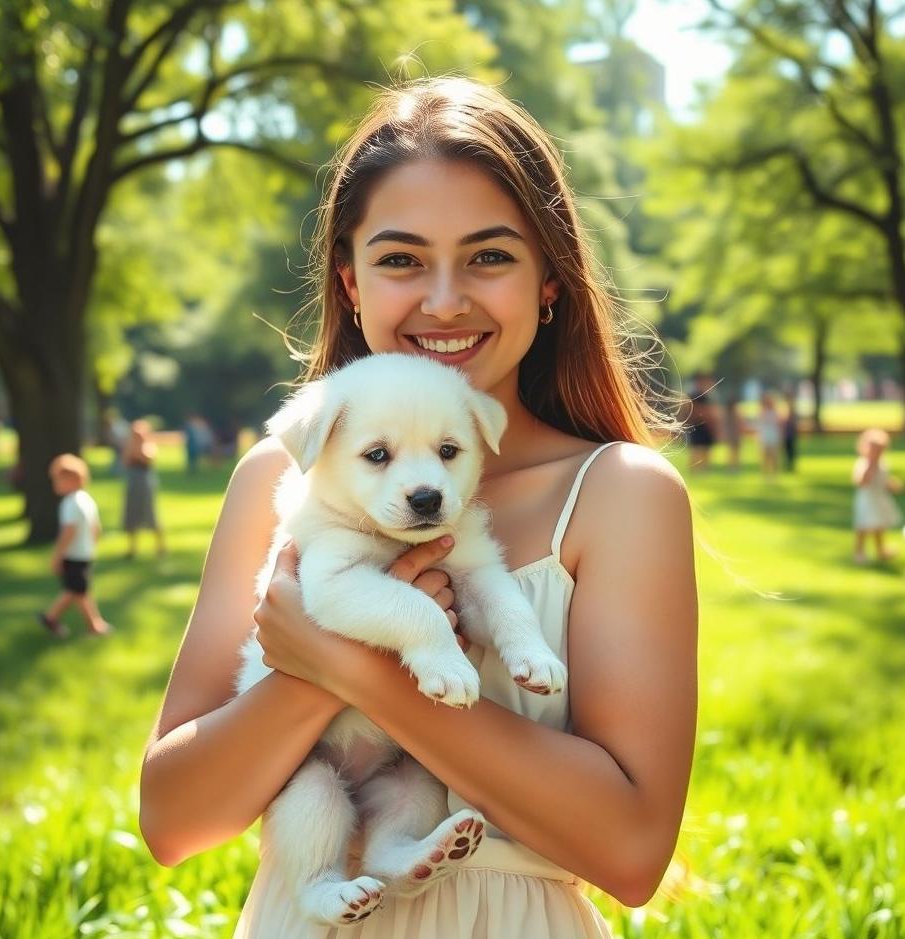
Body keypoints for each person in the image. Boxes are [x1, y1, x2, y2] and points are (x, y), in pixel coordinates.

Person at [139, 77, 698, 939]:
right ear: (350, 281)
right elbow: (174, 823)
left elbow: (629, 854)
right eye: (400, 259)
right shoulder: (281, 479)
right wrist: (303, 672)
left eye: (489, 255)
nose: (443, 299)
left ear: (549, 280)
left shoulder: (617, 494)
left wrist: (357, 668)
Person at [38, 453, 112, 637]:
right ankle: (94, 625)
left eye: (58, 479)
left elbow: (68, 532)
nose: (55, 484)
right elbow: (97, 528)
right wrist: (92, 546)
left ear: (72, 479)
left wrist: (57, 555)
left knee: (75, 591)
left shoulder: (70, 503)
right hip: (85, 553)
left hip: (74, 555)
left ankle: (51, 617)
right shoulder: (87, 499)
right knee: (79, 591)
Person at [852, 428, 902, 564]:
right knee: (864, 526)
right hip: (867, 500)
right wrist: (870, 466)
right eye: (874, 450)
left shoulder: (882, 463)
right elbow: (861, 481)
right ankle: (859, 551)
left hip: (880, 498)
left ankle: (881, 550)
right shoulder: (863, 463)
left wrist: (895, 486)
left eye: (880, 450)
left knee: (879, 526)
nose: (877, 454)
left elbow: (884, 480)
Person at [122, 419, 166, 559]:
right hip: (133, 481)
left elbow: (148, 458)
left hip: (145, 481)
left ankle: (160, 546)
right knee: (131, 513)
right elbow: (125, 461)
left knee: (150, 513)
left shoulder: (149, 445)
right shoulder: (129, 446)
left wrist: (138, 448)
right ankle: (132, 548)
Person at [684, 377, 719, 472]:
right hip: (698, 426)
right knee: (697, 450)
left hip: (706, 427)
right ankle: (695, 470)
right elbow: (696, 411)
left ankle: (703, 470)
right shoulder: (695, 395)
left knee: (706, 450)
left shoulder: (708, 396)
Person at [756, 393, 782, 478]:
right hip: (765, 436)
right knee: (765, 456)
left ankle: (774, 475)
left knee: (774, 456)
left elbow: (778, 424)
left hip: (773, 436)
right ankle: (765, 475)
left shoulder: (775, 412)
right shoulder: (762, 411)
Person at [782, 396, 799, 472]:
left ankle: (791, 465)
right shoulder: (785, 411)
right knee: (787, 450)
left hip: (790, 434)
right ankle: (788, 465)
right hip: (786, 434)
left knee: (791, 450)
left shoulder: (792, 413)